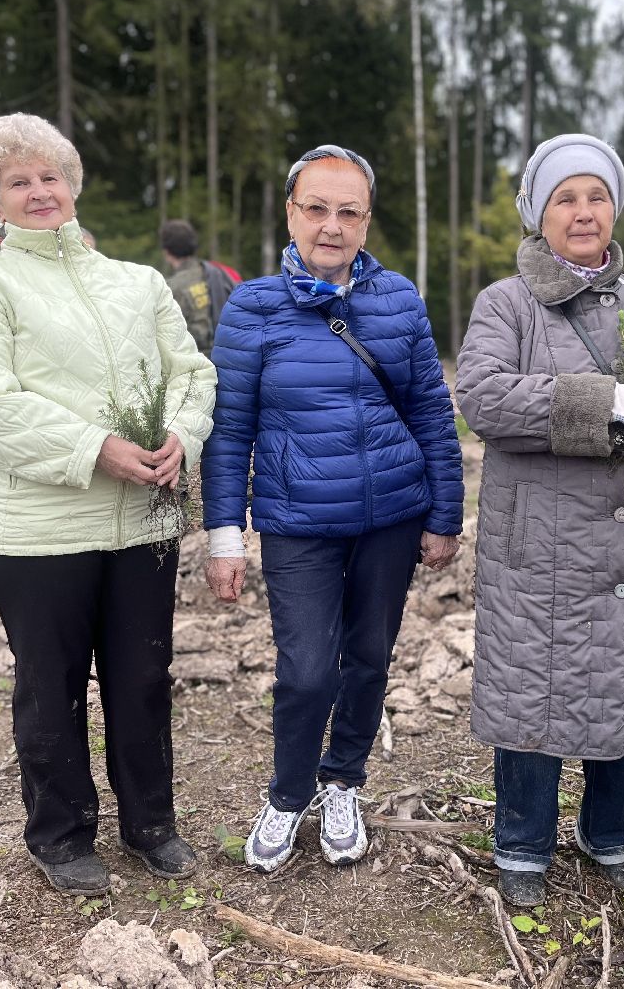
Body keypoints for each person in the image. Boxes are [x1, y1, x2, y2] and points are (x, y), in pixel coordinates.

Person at [0, 113, 217, 897]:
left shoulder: (137, 282)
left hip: (139, 522)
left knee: (141, 677)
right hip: (34, 533)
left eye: (49, 176)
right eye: (16, 181)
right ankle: (60, 836)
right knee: (50, 685)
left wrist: (180, 435)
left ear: (73, 184)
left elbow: (193, 374)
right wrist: (95, 446)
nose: (38, 191)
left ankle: (151, 824)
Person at [456, 134, 624, 908]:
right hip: (540, 546)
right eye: (565, 198)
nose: (583, 212)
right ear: (539, 213)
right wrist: (602, 400)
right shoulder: (506, 303)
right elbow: (484, 399)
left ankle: (607, 831)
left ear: (616, 208)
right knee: (534, 695)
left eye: (597, 197)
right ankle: (522, 843)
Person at [201, 144, 463, 873]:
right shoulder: (252, 307)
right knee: (308, 670)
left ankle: (343, 778)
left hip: (390, 517)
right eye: (316, 207)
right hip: (297, 523)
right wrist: (225, 537)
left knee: (369, 659)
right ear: (291, 213)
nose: (331, 225)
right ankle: (288, 793)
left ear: (367, 220)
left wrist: (445, 516)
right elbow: (230, 432)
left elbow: (432, 414)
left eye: (348, 211)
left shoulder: (399, 299)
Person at [161, 219, 242, 354]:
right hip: (232, 356)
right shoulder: (221, 273)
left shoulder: (169, 288)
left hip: (197, 364)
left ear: (167, 252)